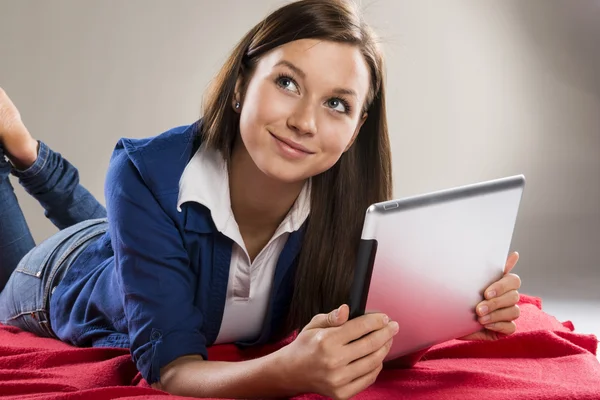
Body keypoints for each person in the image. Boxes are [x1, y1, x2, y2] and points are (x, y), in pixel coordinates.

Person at [0, 0, 522, 398]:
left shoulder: (348, 204)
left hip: (136, 244)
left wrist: (462, 314)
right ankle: (20, 151)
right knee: (95, 238)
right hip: (55, 277)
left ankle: (24, 148)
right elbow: (173, 370)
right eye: (288, 82)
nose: (304, 122)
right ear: (239, 86)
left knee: (126, 235)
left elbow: (362, 323)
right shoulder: (146, 171)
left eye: (337, 103)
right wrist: (286, 371)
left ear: (357, 126)